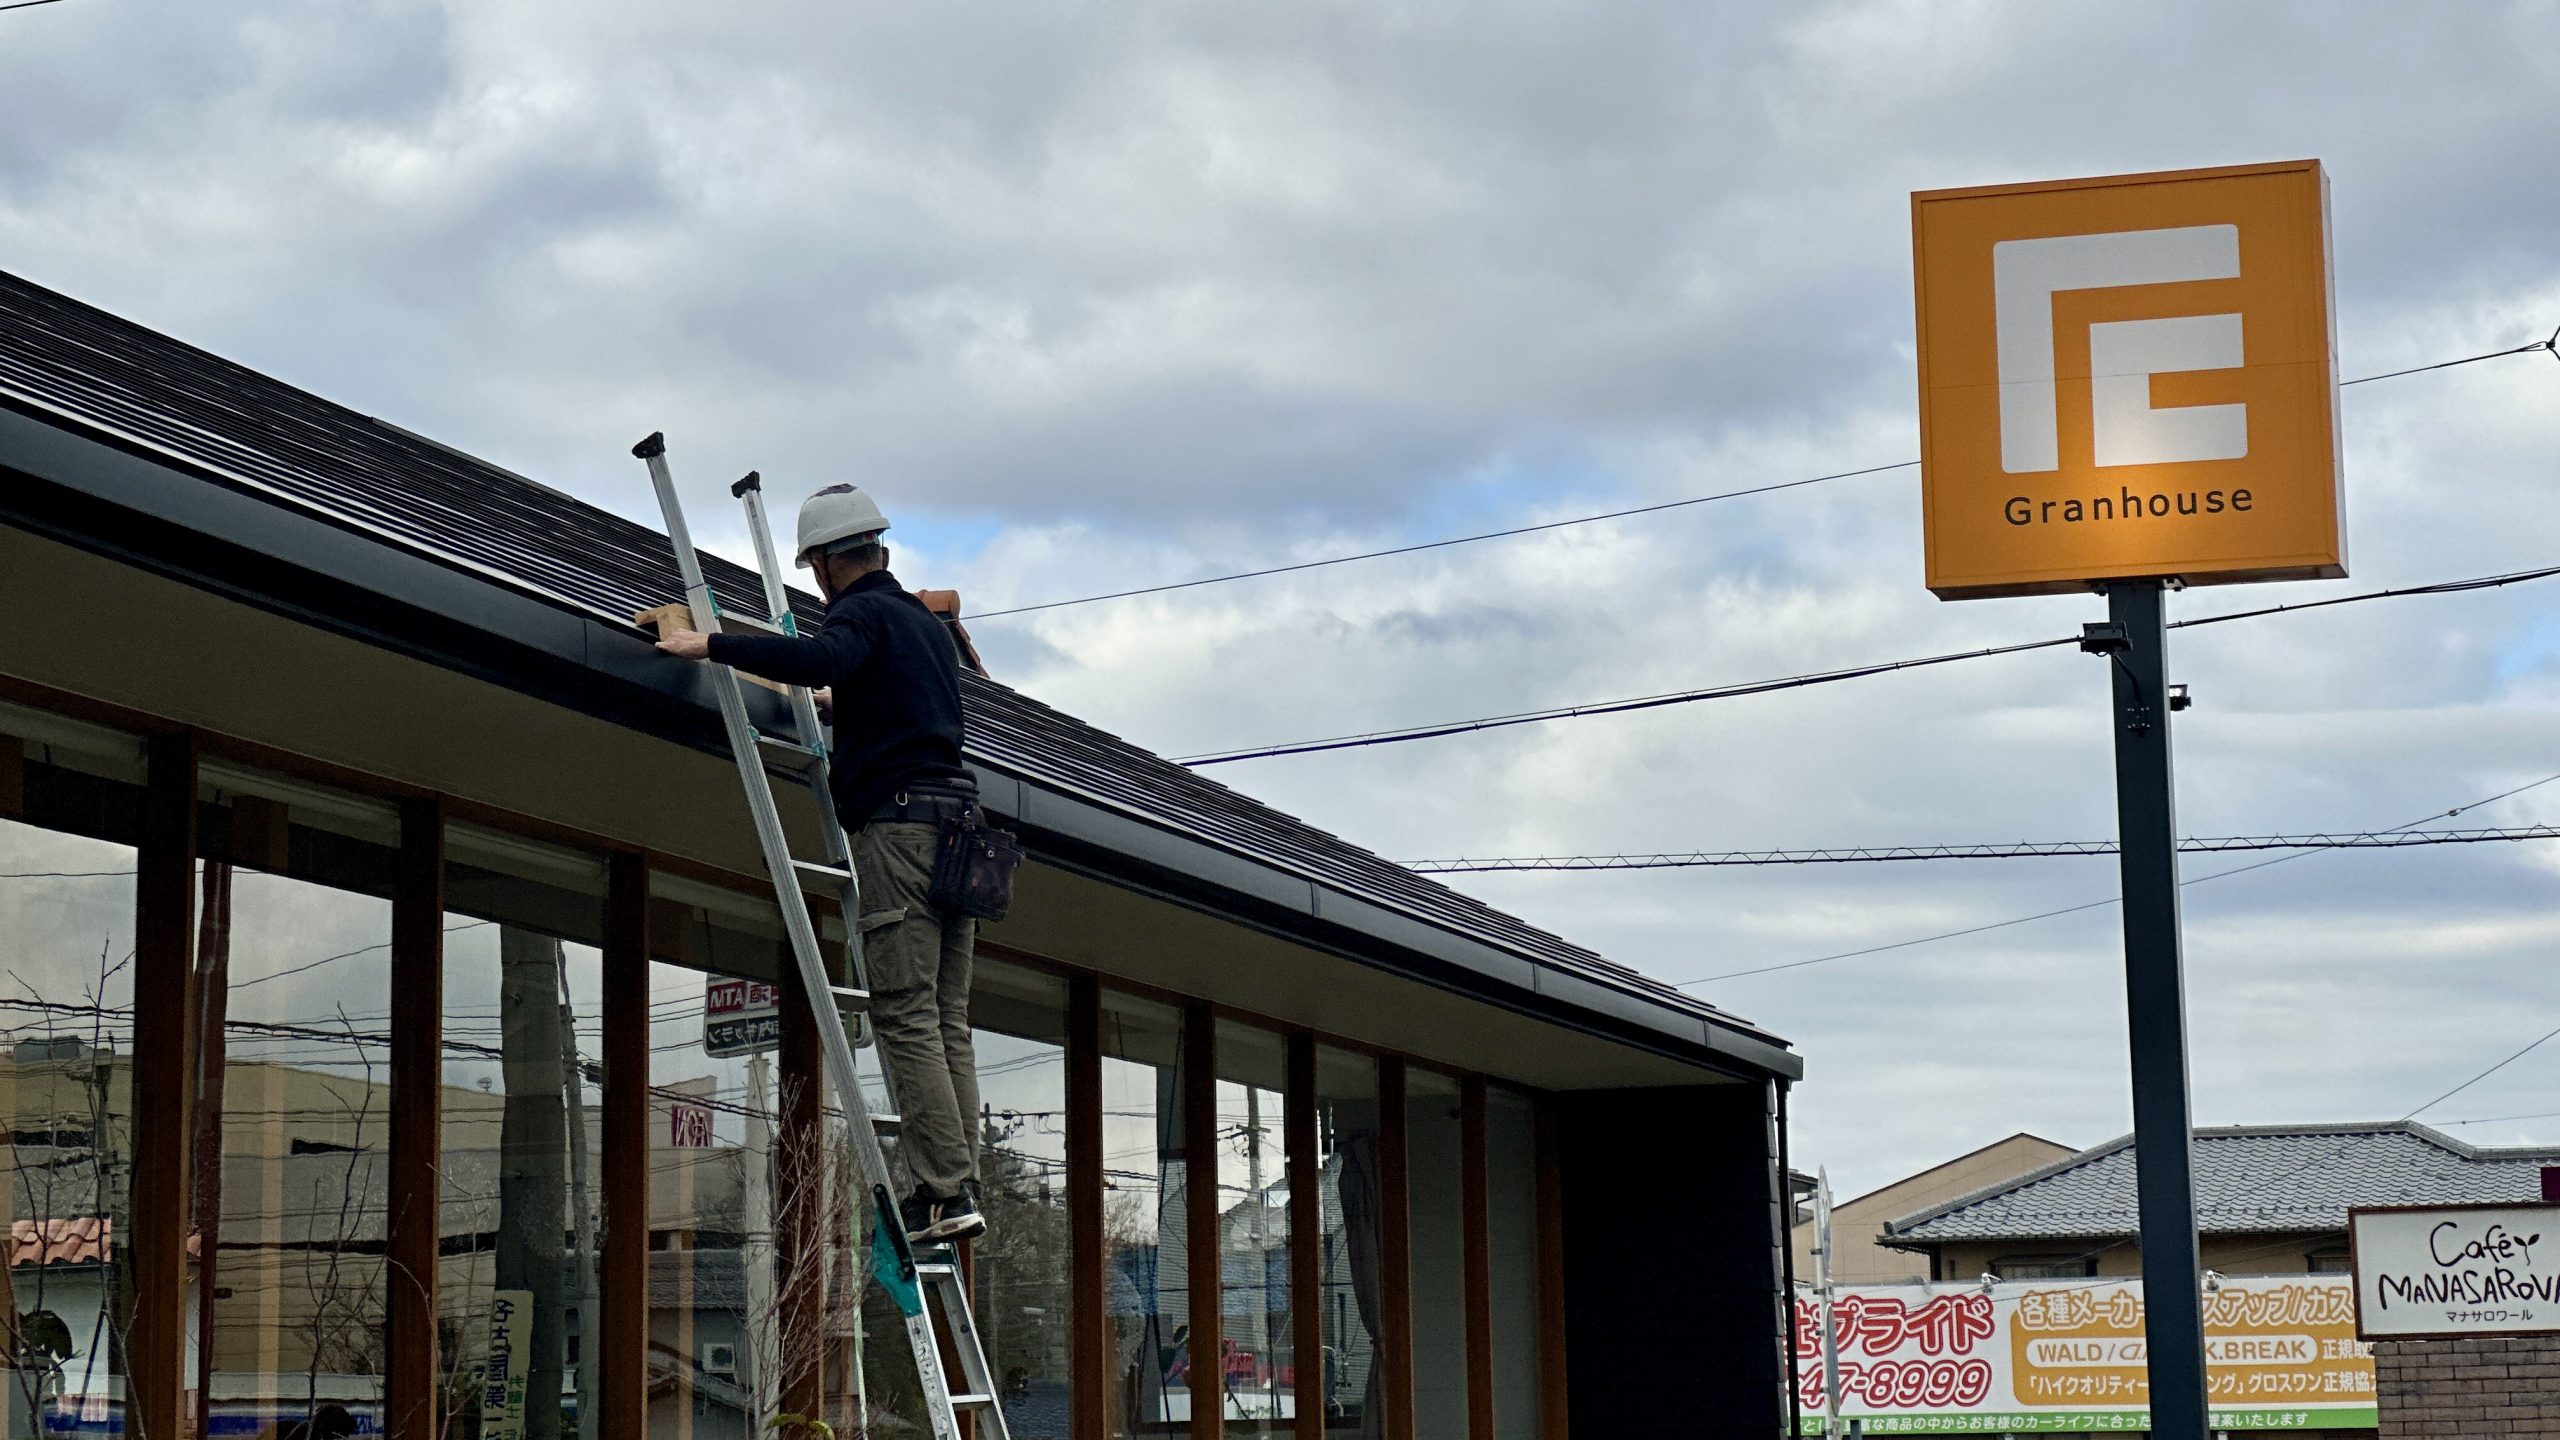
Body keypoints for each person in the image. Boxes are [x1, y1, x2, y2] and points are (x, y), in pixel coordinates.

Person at [656, 481, 988, 1245]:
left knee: (905, 1014)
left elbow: (823, 657)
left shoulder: (863, 613)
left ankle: (943, 1190)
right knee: (945, 1020)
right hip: (961, 832)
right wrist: (849, 708)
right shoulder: (924, 626)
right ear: (880, 549)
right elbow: (903, 703)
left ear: (826, 566)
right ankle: (956, 1183)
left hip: (901, 834)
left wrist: (710, 644)